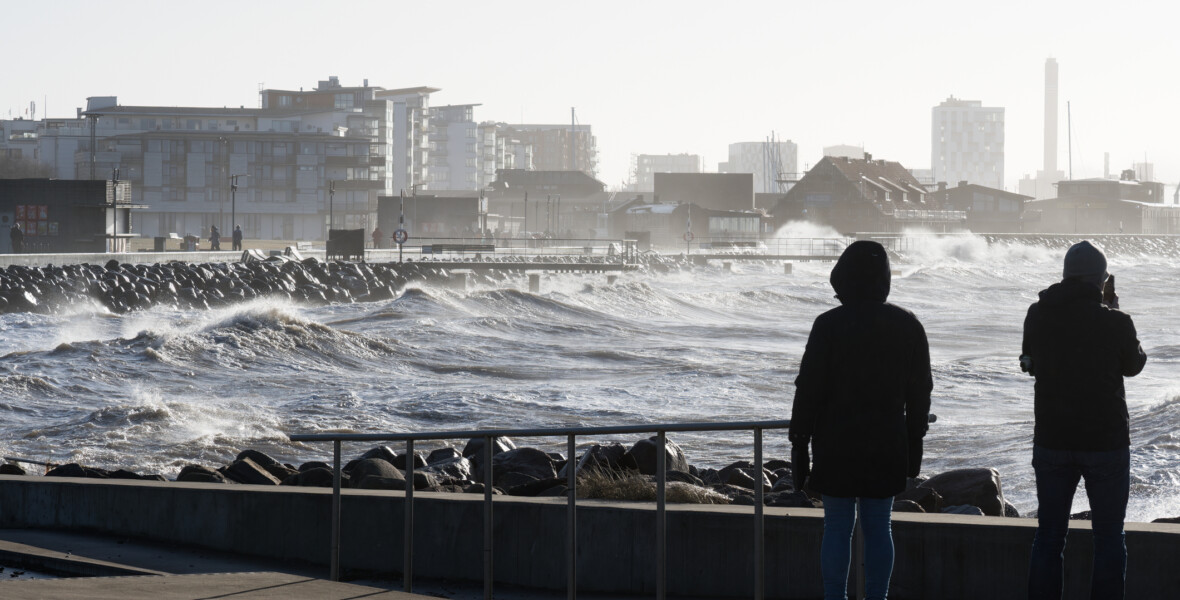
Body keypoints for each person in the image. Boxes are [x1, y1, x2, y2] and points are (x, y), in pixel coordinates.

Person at [789, 240, 932, 600]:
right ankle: (877, 597)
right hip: (886, 442)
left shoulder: (828, 325)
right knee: (879, 527)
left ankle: (834, 597)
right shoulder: (907, 325)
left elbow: (808, 389)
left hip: (835, 443)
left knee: (836, 527)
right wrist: (914, 447)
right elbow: (920, 394)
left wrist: (798, 445)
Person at [1023, 240, 1146, 600]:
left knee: (1048, 537)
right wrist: (1112, 310)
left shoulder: (1038, 313)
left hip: (1052, 438)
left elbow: (1031, 364)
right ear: (1101, 281)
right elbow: (1133, 365)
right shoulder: (1116, 321)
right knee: (1109, 538)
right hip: (1105, 442)